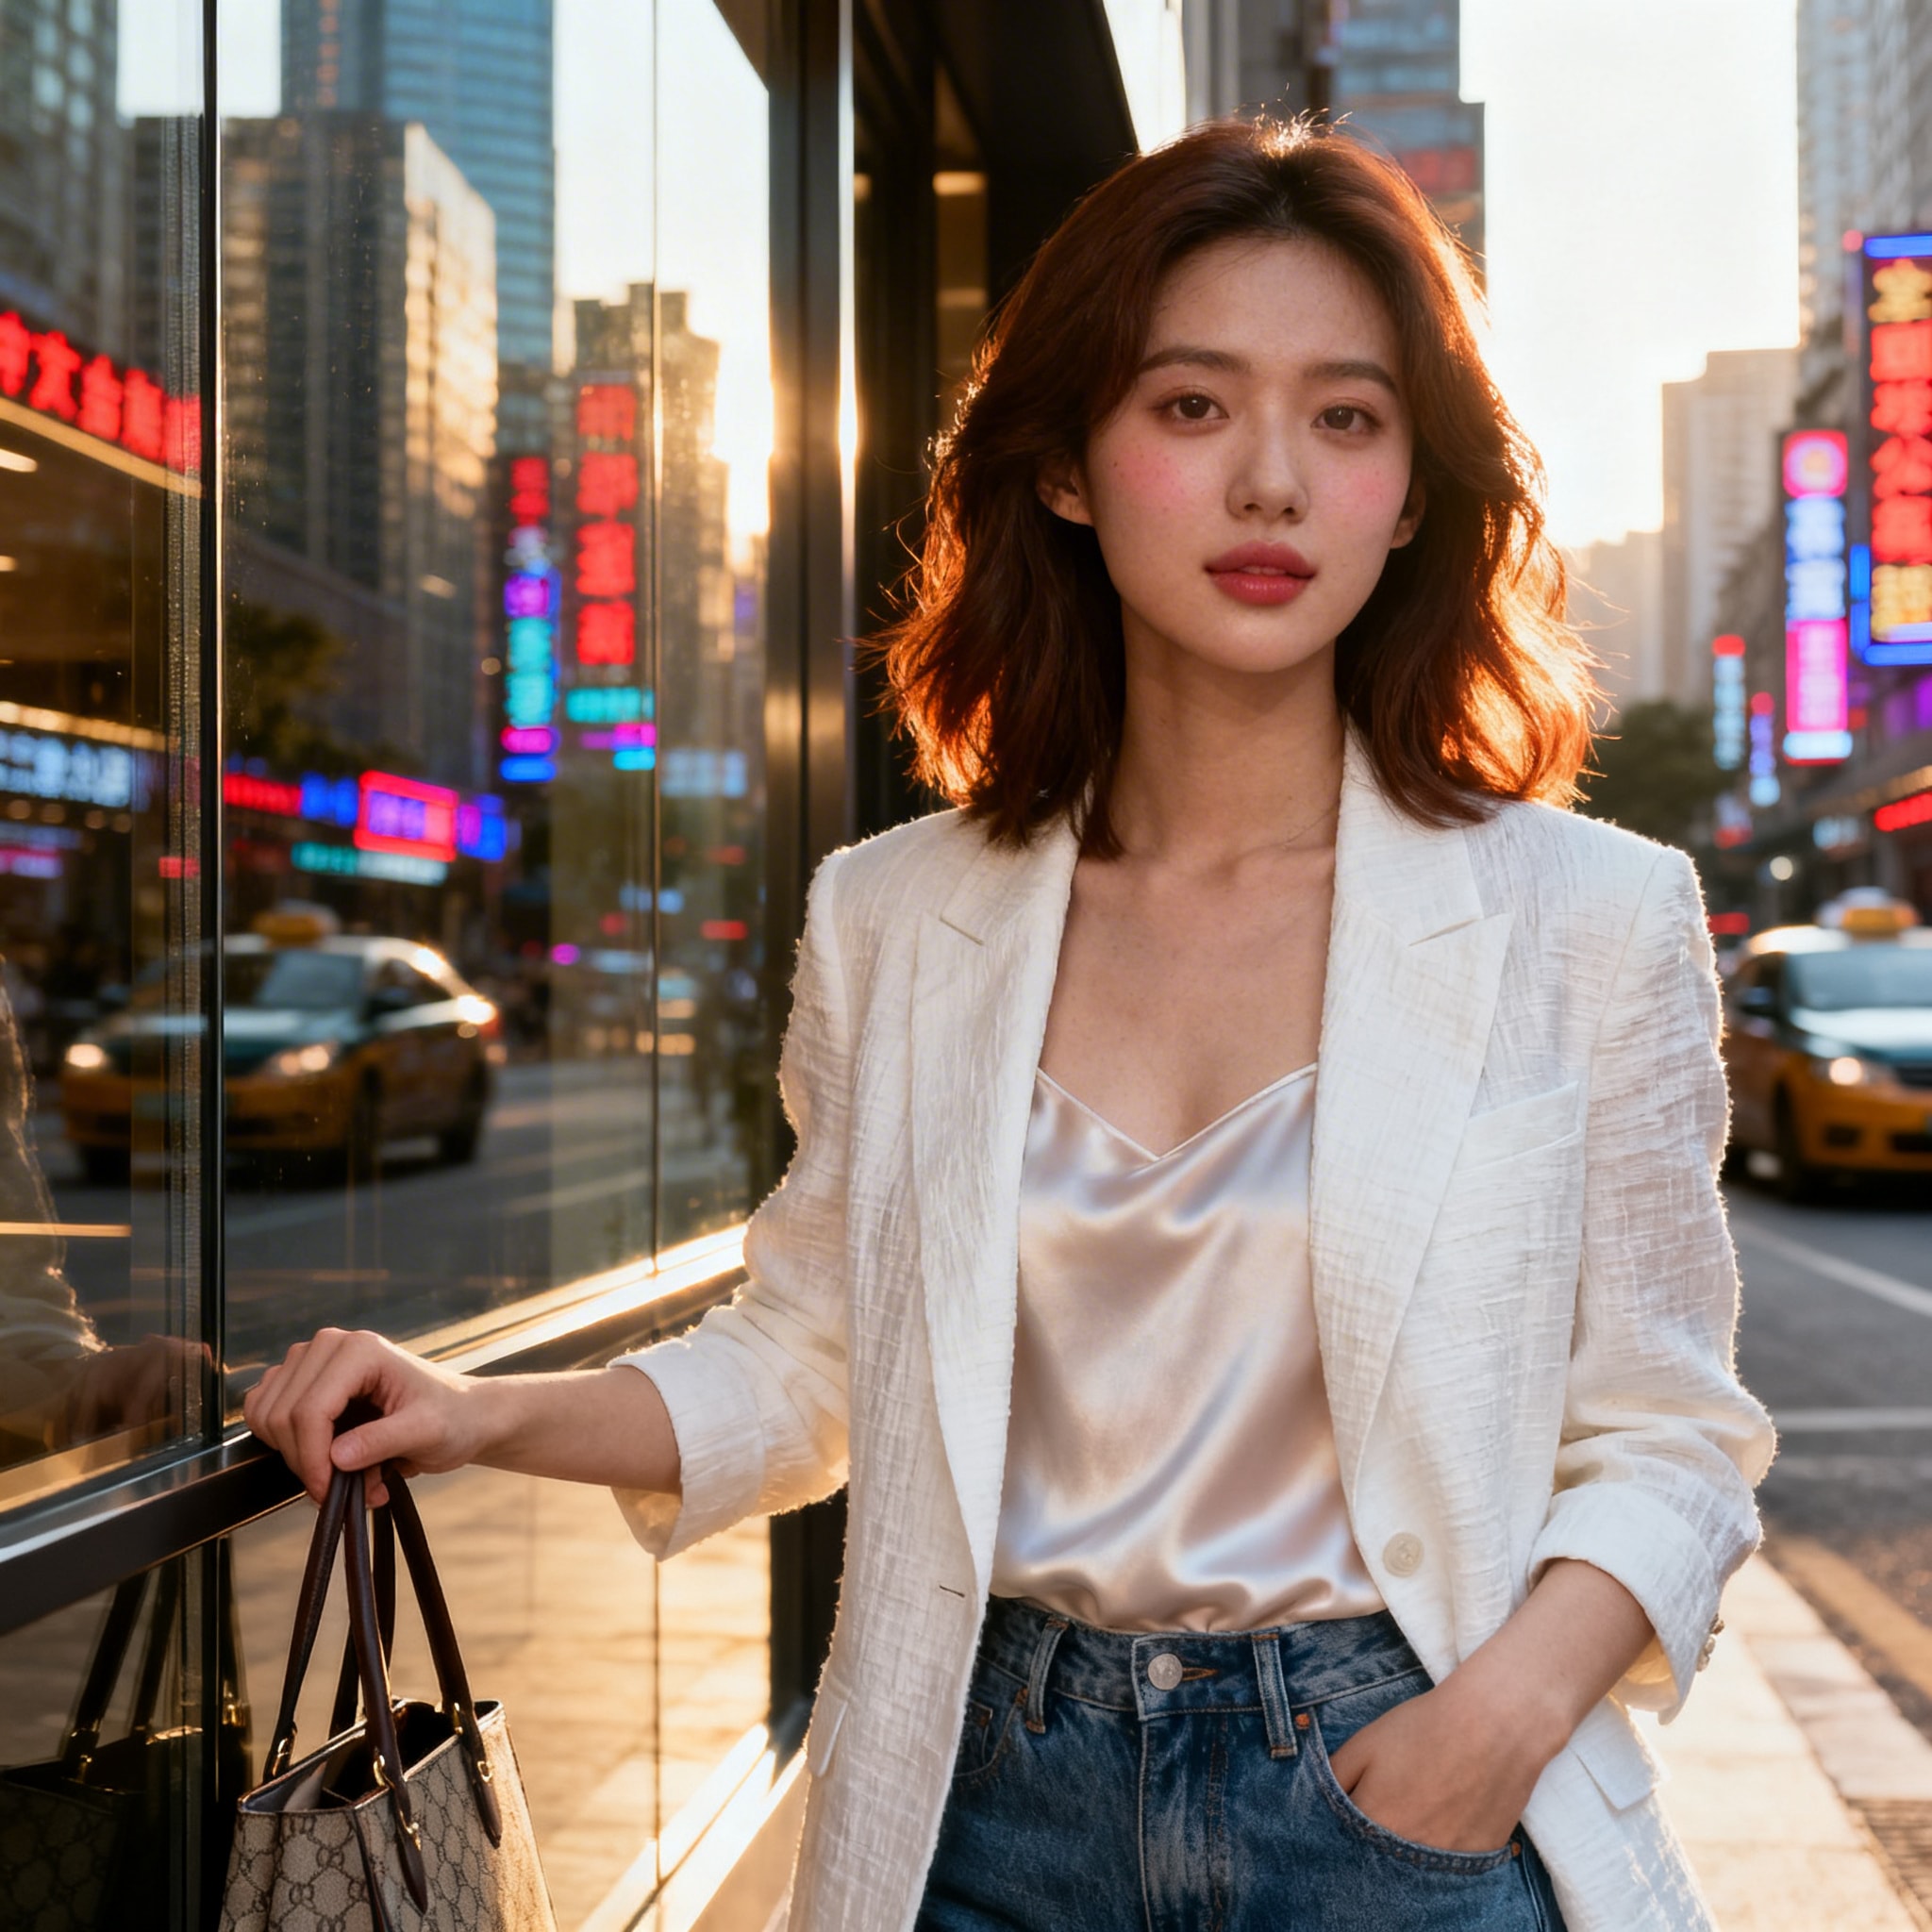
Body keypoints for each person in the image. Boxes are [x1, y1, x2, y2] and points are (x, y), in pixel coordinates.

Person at [244, 118, 1774, 1932]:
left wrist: (1486, 1735)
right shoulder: (897, 915)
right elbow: (809, 1361)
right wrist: (472, 1412)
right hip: (981, 1807)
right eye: (1192, 405)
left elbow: (1675, 1439)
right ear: (1062, 464)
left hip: (1407, 1808)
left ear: (1415, 490)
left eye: (1347, 418)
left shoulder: (1587, 916)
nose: (1273, 481)